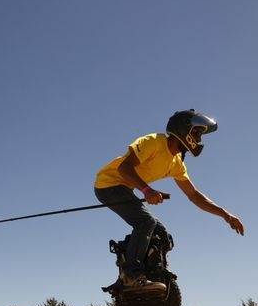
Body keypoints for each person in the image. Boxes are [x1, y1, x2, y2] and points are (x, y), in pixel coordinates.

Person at [94, 109, 244, 294]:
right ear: (184, 129)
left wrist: (225, 215)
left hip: (125, 189)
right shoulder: (154, 141)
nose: (199, 140)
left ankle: (153, 274)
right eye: (197, 133)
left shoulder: (177, 164)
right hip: (107, 185)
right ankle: (131, 276)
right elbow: (125, 168)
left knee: (161, 233)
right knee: (145, 221)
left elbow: (194, 195)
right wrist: (147, 190)